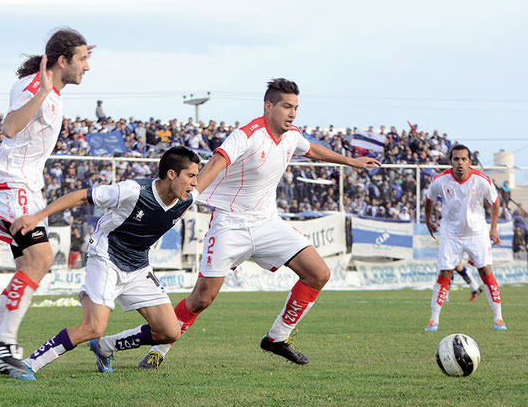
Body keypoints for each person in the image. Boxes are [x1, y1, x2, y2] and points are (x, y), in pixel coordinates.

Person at [137, 78, 381, 369]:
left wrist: (350, 161)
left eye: (296, 108)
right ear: (269, 106)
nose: (292, 113)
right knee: (202, 298)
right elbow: (217, 162)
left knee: (318, 273)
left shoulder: (291, 135)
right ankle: (160, 349)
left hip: (267, 223)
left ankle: (277, 338)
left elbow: (312, 149)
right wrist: (190, 196)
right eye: (286, 107)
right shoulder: (247, 134)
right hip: (230, 223)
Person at [7, 146, 199, 379]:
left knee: (170, 331)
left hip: (139, 266)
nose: (195, 183)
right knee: (93, 326)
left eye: (196, 177)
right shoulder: (133, 190)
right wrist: (36, 217)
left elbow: (213, 171)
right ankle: (29, 363)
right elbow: (81, 196)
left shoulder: (186, 198)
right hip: (106, 257)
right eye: (190, 176)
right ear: (171, 174)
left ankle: (104, 346)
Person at [0, 28, 94, 375]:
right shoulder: (36, 86)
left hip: (25, 186)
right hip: (13, 184)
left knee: (30, 265)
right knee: (41, 257)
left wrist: (72, 60)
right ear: (61, 61)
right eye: (82, 60)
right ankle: (0, 342)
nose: (87, 67)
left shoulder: (52, 89)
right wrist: (42, 90)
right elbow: (9, 128)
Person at [424, 144, 506, 332]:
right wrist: (427, 221)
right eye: (456, 159)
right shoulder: (440, 180)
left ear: (470, 161)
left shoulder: (481, 180)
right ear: (450, 161)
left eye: (463, 159)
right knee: (445, 273)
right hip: (450, 232)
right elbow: (428, 200)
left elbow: (494, 202)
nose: (460, 163)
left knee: (485, 271)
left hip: (476, 233)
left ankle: (499, 319)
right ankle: (433, 320)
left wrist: (493, 228)